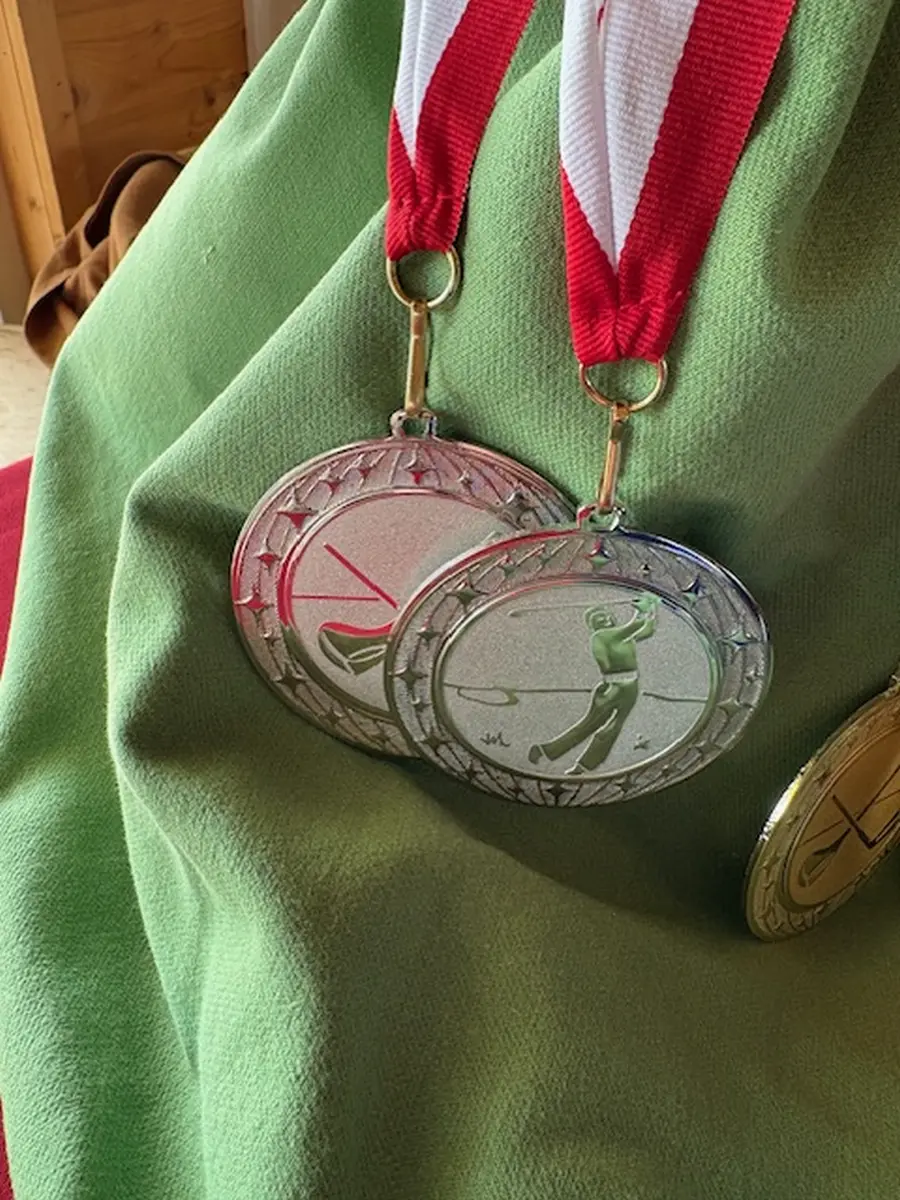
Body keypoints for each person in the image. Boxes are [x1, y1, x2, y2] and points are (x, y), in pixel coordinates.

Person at [529, 594, 658, 772]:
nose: (604, 620)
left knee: (614, 726)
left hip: (631, 686)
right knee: (590, 724)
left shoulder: (625, 638)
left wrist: (652, 609)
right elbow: (633, 627)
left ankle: (584, 766)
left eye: (606, 616)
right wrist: (642, 610)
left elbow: (647, 630)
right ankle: (546, 751)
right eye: (598, 619)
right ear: (592, 626)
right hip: (612, 688)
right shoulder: (601, 637)